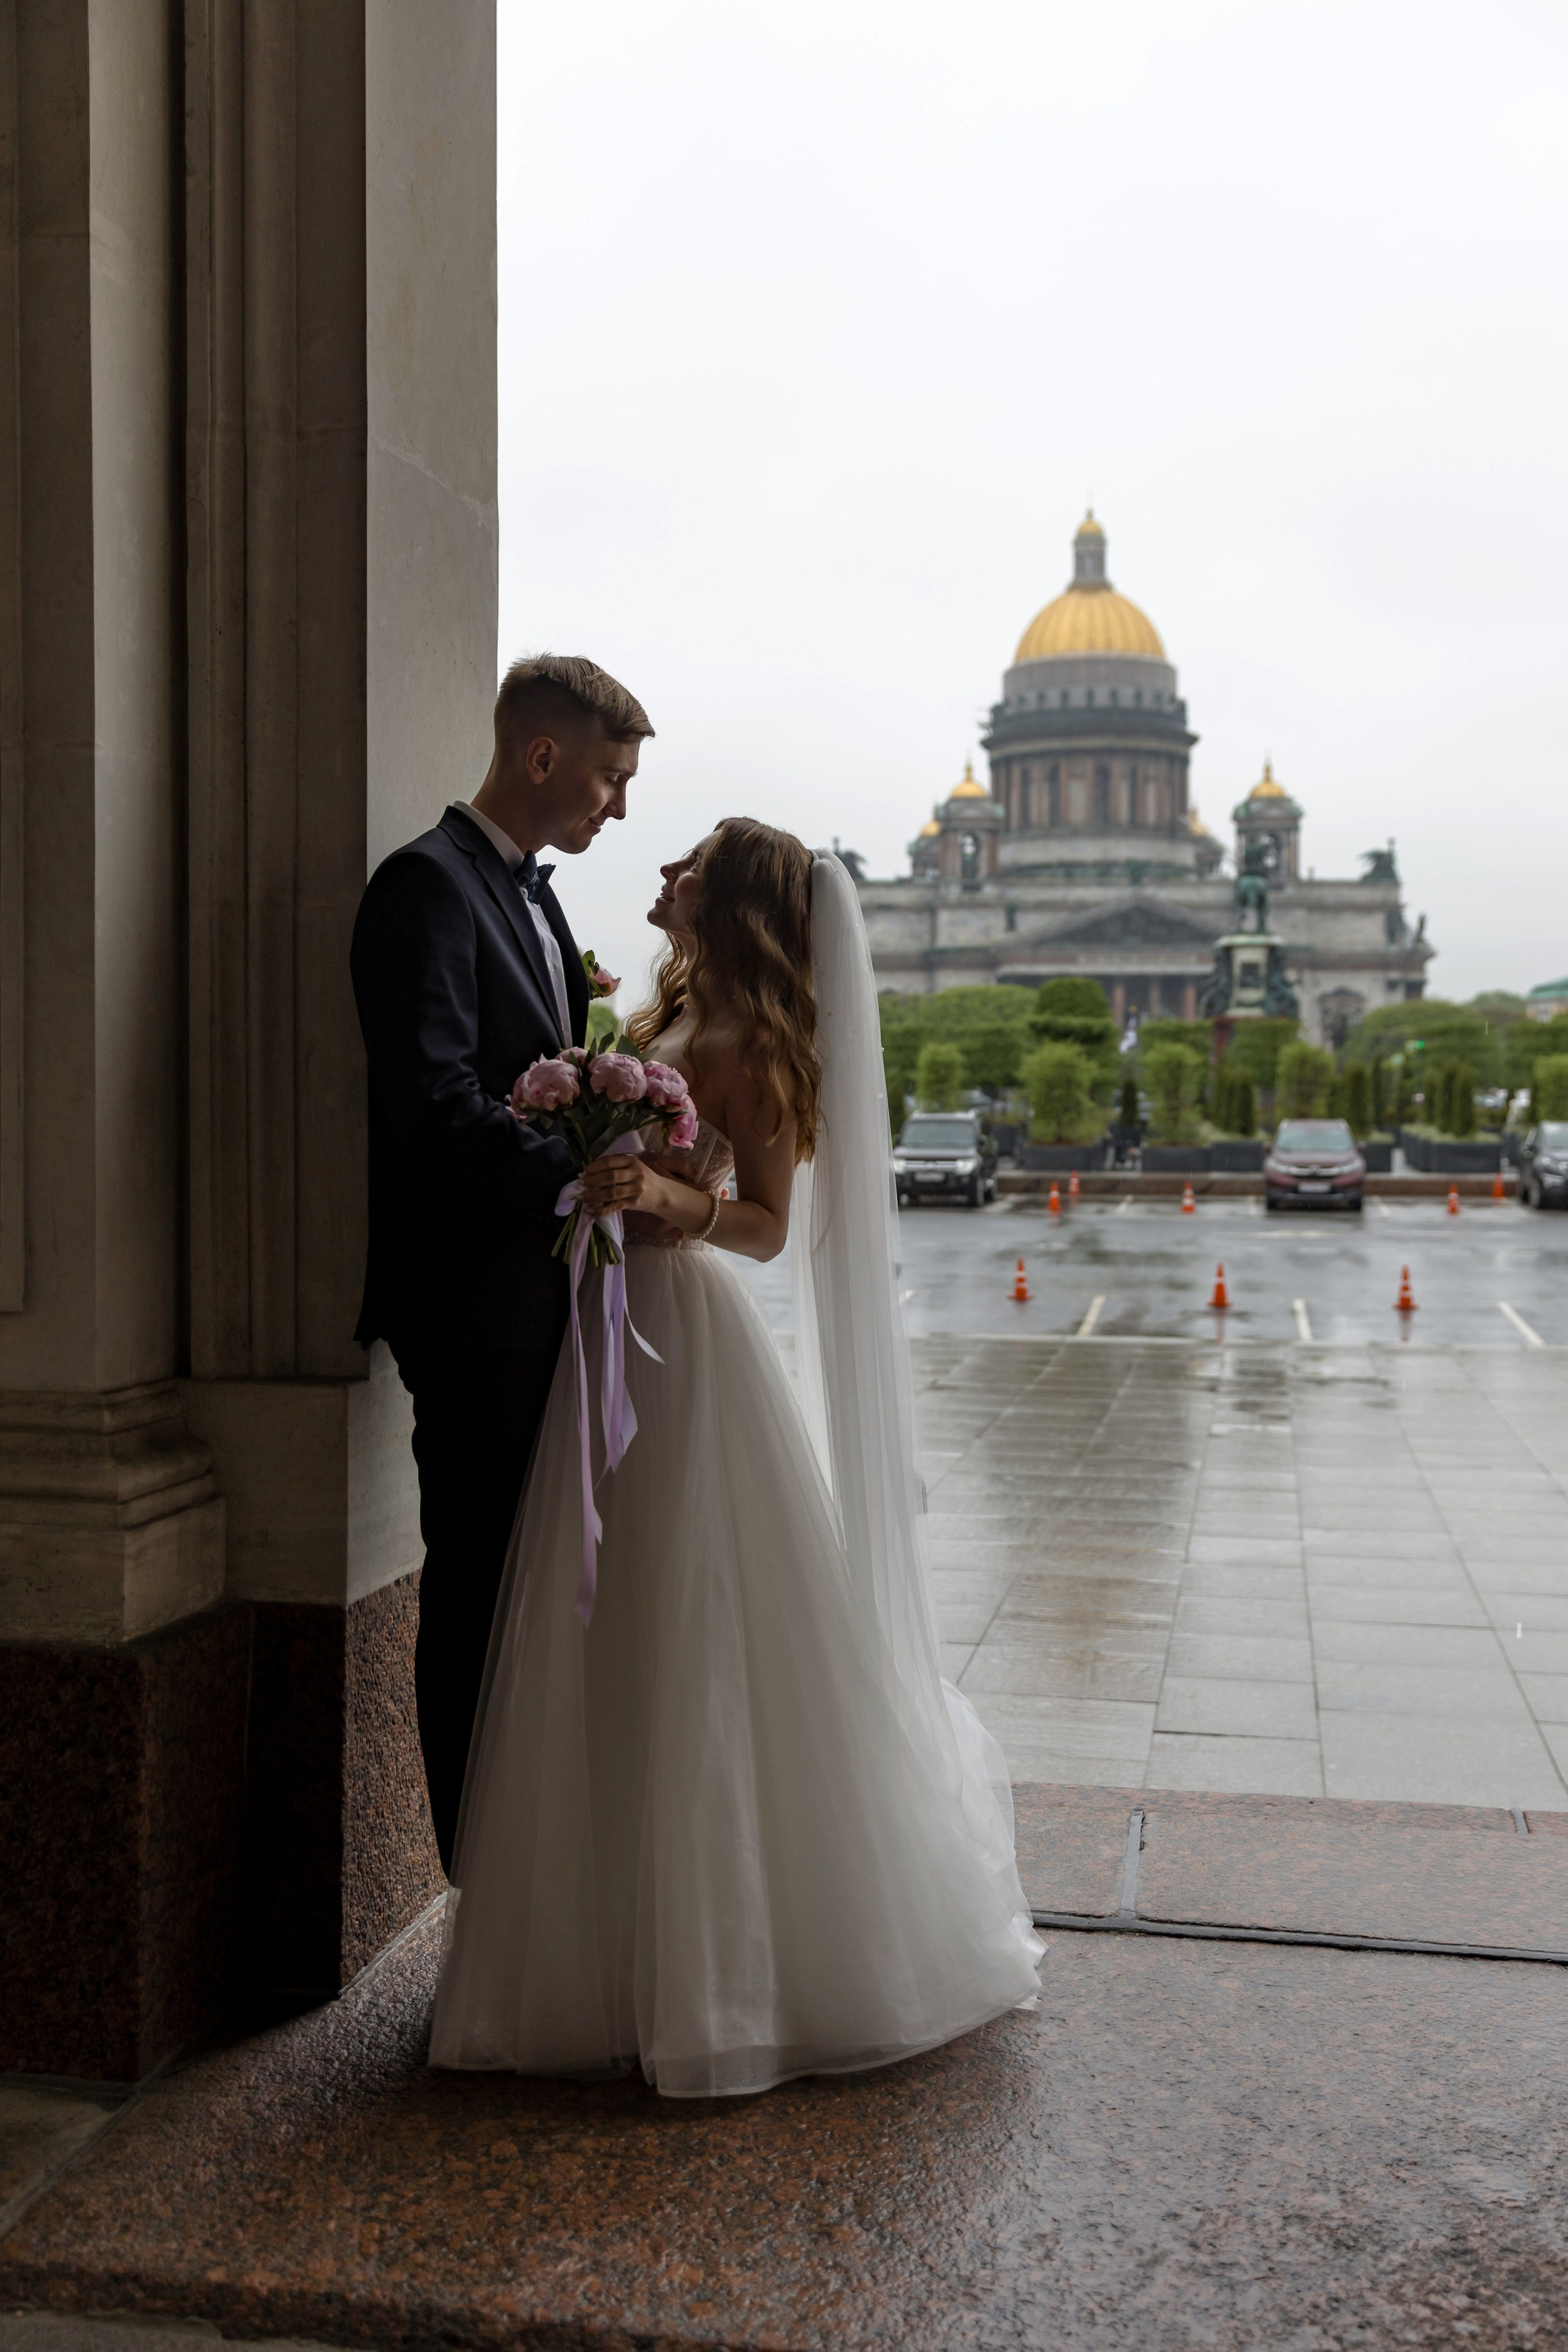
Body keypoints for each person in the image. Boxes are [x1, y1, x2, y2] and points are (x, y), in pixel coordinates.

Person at [430, 821, 1042, 2095]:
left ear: (742, 900)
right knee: (604, 1631)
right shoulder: (656, 1014)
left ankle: (717, 1974)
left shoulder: (755, 1045)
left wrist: (662, 1201)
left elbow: (763, 1228)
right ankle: (605, 1952)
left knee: (692, 1620)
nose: (663, 873)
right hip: (598, 1334)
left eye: (690, 863)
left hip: (680, 1341)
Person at [349, 654, 653, 1874]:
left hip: (537, 1295)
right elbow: (427, 1100)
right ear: (543, 759)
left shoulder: (529, 894)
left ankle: (529, 1877)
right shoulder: (424, 886)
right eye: (609, 779)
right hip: (470, 1310)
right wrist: (576, 1180)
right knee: (474, 1590)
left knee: (533, 1588)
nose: (616, 807)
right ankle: (476, 1883)